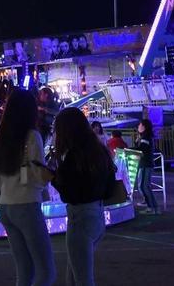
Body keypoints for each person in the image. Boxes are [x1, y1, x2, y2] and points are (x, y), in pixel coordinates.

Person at [0, 88, 55, 286]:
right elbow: (36, 174)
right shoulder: (31, 136)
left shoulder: (0, 137)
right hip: (26, 204)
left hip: (5, 206)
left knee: (24, 270)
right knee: (46, 272)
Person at [52, 108, 116, 286]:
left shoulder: (74, 156)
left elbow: (70, 193)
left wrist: (53, 179)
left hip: (79, 218)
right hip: (97, 214)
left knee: (82, 280)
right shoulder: (99, 151)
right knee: (75, 277)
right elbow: (110, 187)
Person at [133, 119, 159, 214]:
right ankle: (153, 207)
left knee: (143, 186)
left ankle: (152, 208)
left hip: (145, 164)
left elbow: (142, 149)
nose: (138, 126)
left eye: (139, 124)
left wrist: (128, 149)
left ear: (144, 126)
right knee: (143, 186)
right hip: (144, 164)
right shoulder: (144, 137)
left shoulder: (146, 137)